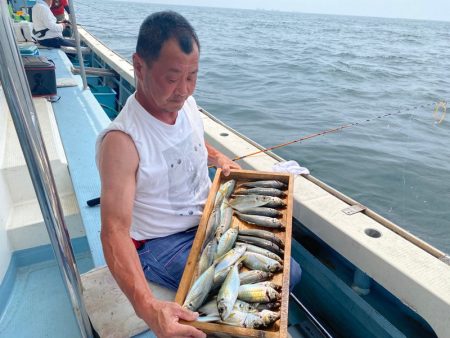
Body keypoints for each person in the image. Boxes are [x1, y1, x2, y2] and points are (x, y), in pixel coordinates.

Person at [96, 11, 301, 338]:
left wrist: (217, 156)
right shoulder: (122, 142)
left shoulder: (183, 103)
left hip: (208, 217)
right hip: (160, 242)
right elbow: (113, 232)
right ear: (139, 66)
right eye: (173, 77)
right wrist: (149, 310)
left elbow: (188, 141)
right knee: (233, 296)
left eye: (193, 76)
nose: (184, 90)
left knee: (291, 270)